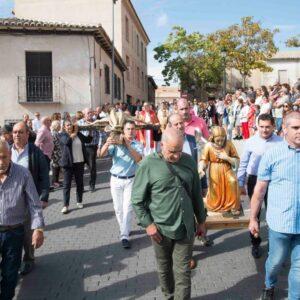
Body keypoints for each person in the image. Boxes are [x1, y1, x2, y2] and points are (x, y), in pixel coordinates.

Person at [131, 128, 206, 299]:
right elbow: (137, 200)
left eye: (179, 151)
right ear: (162, 144)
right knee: (164, 268)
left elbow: (196, 194)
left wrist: (201, 221)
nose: (176, 156)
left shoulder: (188, 162)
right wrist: (148, 225)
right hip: (160, 230)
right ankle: (168, 295)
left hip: (185, 227)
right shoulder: (147, 165)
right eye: (172, 151)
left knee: (183, 272)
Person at [249, 111, 300, 300]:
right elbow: (260, 190)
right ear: (284, 129)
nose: (299, 132)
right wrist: (253, 218)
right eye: (295, 128)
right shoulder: (272, 155)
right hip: (280, 223)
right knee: (276, 261)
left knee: (299, 267)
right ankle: (269, 284)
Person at [0, 140, 45, 300]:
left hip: (14, 232)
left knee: (10, 272)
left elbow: (34, 204)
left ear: (10, 155)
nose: (1, 162)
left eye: (4, 157)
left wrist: (38, 229)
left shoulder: (23, 174)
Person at [237, 114, 282, 258]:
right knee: (254, 214)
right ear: (257, 126)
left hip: (274, 181)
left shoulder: (281, 142)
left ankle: (272, 245)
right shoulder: (251, 142)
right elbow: (243, 163)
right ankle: (255, 243)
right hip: (254, 180)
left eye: (268, 127)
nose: (264, 130)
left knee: (273, 214)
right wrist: (240, 183)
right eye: (261, 126)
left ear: (273, 126)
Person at [11, 121, 49, 275]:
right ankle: (12, 260)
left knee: (28, 233)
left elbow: (44, 176)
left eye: (20, 132)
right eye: (14, 132)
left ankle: (28, 259)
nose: (17, 135)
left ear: (28, 134)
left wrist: (44, 196)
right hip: (9, 200)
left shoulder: (35, 152)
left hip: (28, 199)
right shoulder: (6, 150)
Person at [99, 121, 143, 248]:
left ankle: (124, 236)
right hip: (116, 179)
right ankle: (125, 228)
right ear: (123, 131)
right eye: (128, 129)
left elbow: (139, 159)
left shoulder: (137, 144)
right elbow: (101, 154)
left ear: (135, 131)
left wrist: (128, 145)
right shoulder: (116, 144)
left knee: (127, 208)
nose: (130, 131)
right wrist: (107, 143)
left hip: (131, 180)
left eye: (133, 129)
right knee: (118, 209)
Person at [199, 126, 241, 216]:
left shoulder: (229, 144)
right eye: (218, 140)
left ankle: (233, 206)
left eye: (222, 140)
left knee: (233, 181)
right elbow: (203, 159)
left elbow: (237, 159)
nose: (220, 142)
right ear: (213, 138)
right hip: (214, 169)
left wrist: (227, 158)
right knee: (215, 187)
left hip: (227, 168)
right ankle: (215, 204)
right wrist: (201, 168)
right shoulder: (208, 146)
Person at [59, 121, 92, 213]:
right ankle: (65, 205)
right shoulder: (63, 135)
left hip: (79, 162)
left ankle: (79, 201)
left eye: (71, 125)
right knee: (67, 185)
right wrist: (74, 133)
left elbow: (88, 140)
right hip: (68, 164)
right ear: (64, 127)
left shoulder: (78, 134)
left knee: (79, 183)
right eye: (67, 125)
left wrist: (90, 131)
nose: (70, 126)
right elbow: (67, 142)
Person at [77, 108, 100, 192]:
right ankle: (81, 187)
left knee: (92, 167)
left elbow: (101, 134)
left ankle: (92, 185)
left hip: (92, 147)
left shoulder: (96, 122)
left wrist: (99, 147)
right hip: (81, 148)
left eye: (91, 112)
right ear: (84, 114)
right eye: (88, 113)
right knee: (80, 168)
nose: (90, 114)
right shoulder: (79, 123)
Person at [50, 120, 62, 188]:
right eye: (59, 125)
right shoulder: (54, 133)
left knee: (57, 167)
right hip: (55, 153)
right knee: (55, 167)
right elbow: (54, 144)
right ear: (56, 126)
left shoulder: (56, 133)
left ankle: (57, 181)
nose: (60, 126)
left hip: (57, 152)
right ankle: (54, 182)